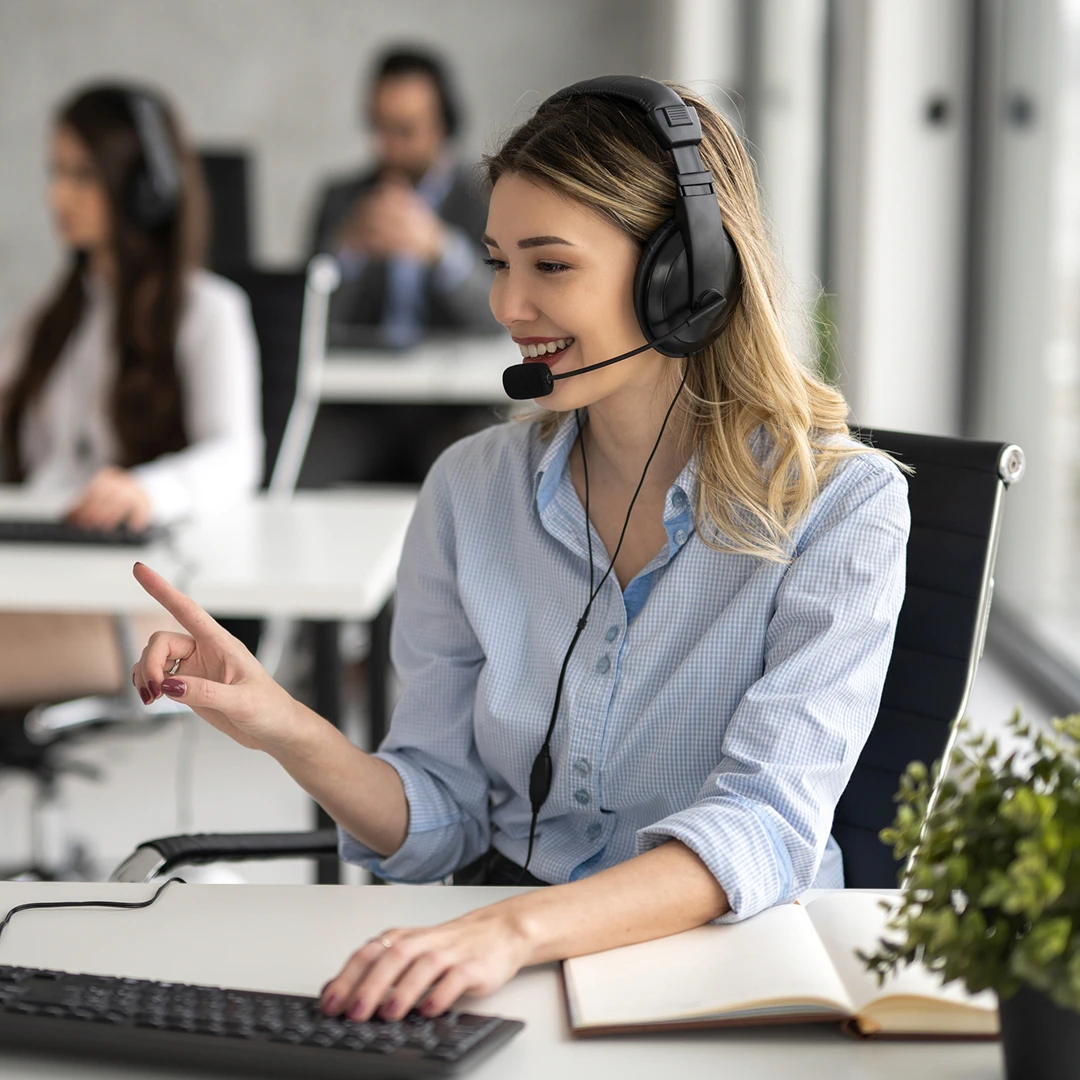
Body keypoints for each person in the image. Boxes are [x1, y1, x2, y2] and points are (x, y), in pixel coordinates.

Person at [131, 78, 910, 1024]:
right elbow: (438, 813)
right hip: (509, 958)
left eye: (550, 265)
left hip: (721, 970)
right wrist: (284, 724)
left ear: (684, 277)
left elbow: (763, 824)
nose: (510, 304)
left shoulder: (841, 506)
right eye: (500, 262)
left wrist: (513, 930)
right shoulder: (470, 490)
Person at [0, 82, 262, 704]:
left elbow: (237, 455)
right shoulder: (55, 319)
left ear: (145, 191)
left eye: (82, 175)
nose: (57, 195)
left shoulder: (208, 311)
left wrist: (150, 489)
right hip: (35, 580)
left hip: (133, 608)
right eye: (57, 173)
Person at [309, 46, 495, 342]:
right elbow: (308, 320)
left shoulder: (487, 196)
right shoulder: (341, 199)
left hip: (457, 380)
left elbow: (503, 318)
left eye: (405, 131)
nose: (388, 148)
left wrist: (442, 250)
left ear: (443, 127)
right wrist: (345, 253)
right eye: (379, 128)